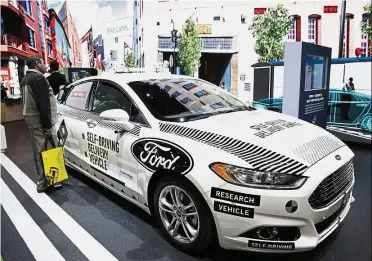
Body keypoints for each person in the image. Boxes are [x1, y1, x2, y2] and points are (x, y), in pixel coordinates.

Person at [20, 56, 61, 193]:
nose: (45, 65)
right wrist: (48, 125)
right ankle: (45, 182)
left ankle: (50, 180)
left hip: (32, 119)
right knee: (47, 150)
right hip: (40, 121)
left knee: (39, 149)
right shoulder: (38, 79)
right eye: (43, 63)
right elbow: (43, 105)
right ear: (37, 64)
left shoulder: (25, 79)